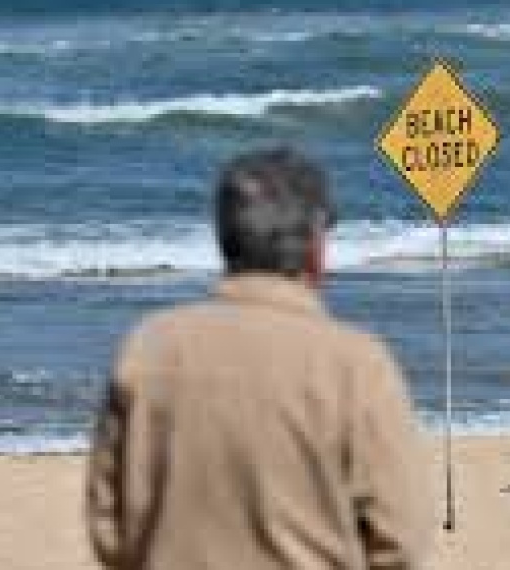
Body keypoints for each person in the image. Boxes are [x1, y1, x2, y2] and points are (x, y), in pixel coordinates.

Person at [86, 148, 429, 569]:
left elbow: (108, 525)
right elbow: (398, 538)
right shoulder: (355, 364)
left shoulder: (151, 347)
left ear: (224, 240)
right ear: (316, 249)